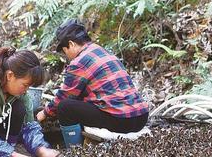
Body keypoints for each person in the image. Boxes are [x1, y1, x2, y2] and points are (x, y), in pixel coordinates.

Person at [36, 19, 149, 147]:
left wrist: (44, 113)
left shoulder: (79, 62)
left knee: (65, 107)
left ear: (71, 44)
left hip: (122, 120)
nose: (66, 56)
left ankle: (75, 152)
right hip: (141, 117)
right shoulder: (103, 51)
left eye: (65, 51)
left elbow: (65, 96)